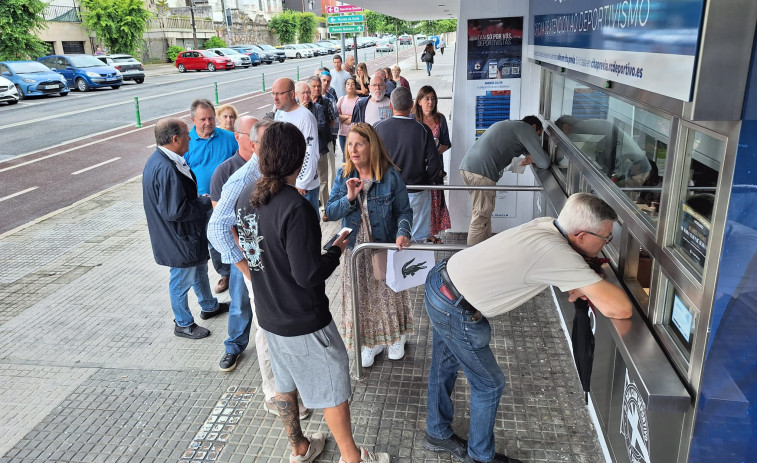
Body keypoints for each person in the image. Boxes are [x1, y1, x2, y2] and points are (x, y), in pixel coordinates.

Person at [423, 193, 633, 463]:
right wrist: (586, 281)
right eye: (606, 238)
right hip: (454, 308)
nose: (606, 244)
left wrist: (582, 280)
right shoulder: (558, 254)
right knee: (489, 384)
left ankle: (437, 432)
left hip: (440, 283)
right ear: (581, 236)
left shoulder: (547, 224)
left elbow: (556, 268)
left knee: (444, 367)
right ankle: (479, 457)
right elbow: (620, 308)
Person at [234, 122, 390, 463]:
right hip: (304, 320)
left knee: (285, 385)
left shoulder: (247, 199)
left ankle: (300, 448)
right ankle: (353, 458)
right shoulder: (296, 206)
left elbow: (254, 249)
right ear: (300, 158)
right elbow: (307, 276)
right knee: (333, 387)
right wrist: (334, 250)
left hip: (270, 316)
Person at [207, 118, 312, 420]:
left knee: (278, 331)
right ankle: (274, 396)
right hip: (259, 271)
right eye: (270, 143)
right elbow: (216, 229)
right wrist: (246, 268)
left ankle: (286, 389)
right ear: (254, 145)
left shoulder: (270, 174)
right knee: (267, 333)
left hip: (274, 268)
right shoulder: (243, 180)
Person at [325, 123, 413, 368]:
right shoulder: (344, 175)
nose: (353, 150)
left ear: (371, 146)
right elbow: (330, 212)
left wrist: (403, 233)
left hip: (383, 243)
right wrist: (349, 197)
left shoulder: (390, 175)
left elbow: (404, 210)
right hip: (355, 248)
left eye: (359, 144)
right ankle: (369, 342)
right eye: (350, 144)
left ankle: (396, 336)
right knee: (361, 297)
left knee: (389, 292)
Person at [141, 118, 229, 340]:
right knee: (181, 280)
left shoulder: (164, 160)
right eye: (186, 134)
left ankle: (208, 306)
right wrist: (204, 202)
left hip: (185, 235)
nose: (191, 137)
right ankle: (183, 323)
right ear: (175, 139)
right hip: (179, 238)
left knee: (199, 269)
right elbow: (174, 211)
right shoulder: (166, 168)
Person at [209, 115, 257, 372]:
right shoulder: (226, 171)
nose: (257, 139)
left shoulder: (267, 165)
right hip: (242, 250)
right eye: (252, 134)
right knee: (239, 301)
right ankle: (234, 346)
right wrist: (242, 252)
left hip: (266, 247)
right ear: (238, 137)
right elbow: (221, 220)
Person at [459, 116, 551, 246]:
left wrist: (532, 156)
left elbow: (529, 152)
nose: (537, 140)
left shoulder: (511, 126)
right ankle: (471, 257)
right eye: (538, 136)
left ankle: (483, 251)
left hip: (467, 168)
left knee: (484, 214)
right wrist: (536, 156)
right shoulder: (526, 129)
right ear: (534, 127)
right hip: (481, 172)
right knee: (481, 216)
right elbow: (544, 162)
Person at [185, 98, 239, 293]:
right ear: (193, 120)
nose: (208, 123)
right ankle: (225, 274)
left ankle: (242, 270)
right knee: (215, 240)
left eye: (210, 118)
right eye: (203, 120)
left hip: (233, 199)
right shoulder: (187, 143)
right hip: (204, 204)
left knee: (238, 236)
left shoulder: (229, 138)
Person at [375, 87, 440, 243]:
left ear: (391, 106)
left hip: (386, 191)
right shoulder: (423, 130)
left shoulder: (378, 128)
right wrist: (425, 179)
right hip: (416, 190)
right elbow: (434, 165)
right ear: (412, 105)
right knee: (418, 238)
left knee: (390, 236)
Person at [271, 78, 320, 212]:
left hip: (304, 188)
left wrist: (301, 182)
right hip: (286, 183)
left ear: (292, 94)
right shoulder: (279, 113)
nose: (275, 98)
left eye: (279, 94)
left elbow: (311, 152)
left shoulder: (305, 118)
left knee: (309, 226)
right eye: (273, 93)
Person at [413, 85, 452, 243]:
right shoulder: (413, 119)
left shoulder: (440, 119)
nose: (430, 102)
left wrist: (433, 155)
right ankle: (419, 232)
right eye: (427, 99)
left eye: (433, 99)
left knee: (435, 199)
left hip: (435, 169)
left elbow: (446, 143)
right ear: (419, 101)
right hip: (417, 168)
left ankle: (431, 233)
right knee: (419, 199)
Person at [305, 76, 338, 221]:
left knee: (324, 178)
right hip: (305, 150)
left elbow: (327, 123)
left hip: (322, 145)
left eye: (319, 86)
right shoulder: (299, 106)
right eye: (314, 86)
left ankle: (325, 208)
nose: (317, 89)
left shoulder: (324, 103)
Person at [337, 77, 360, 157]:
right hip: (342, 133)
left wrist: (342, 118)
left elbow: (356, 118)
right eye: (348, 84)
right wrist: (347, 116)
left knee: (351, 156)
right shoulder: (341, 99)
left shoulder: (358, 101)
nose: (350, 86)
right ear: (345, 87)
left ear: (355, 86)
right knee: (345, 156)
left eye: (353, 84)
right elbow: (336, 114)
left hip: (353, 133)